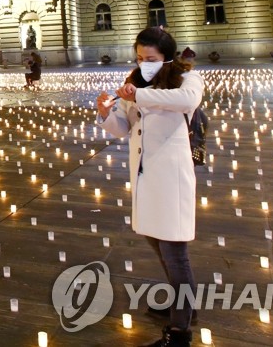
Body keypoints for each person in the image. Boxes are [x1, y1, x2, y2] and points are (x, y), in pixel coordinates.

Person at [95, 27, 203, 347]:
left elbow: (186, 101)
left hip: (171, 179)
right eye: (140, 57)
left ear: (167, 56)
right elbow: (123, 127)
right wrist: (106, 113)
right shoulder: (137, 84)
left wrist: (136, 94)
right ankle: (184, 305)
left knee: (175, 254)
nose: (145, 63)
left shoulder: (187, 81)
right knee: (158, 245)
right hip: (145, 179)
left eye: (151, 58)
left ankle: (180, 333)